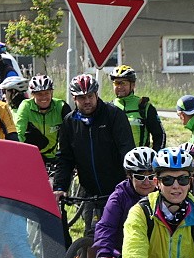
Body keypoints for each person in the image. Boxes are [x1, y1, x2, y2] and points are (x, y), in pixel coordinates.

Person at [53, 74, 135, 235]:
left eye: (90, 96)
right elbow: (65, 158)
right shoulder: (70, 122)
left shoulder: (113, 115)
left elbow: (126, 150)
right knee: (92, 235)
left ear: (97, 95)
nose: (87, 101)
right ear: (74, 98)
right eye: (81, 97)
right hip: (90, 191)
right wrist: (60, 187)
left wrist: (130, 178)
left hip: (117, 188)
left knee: (121, 234)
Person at [14, 74, 71, 168]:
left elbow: (72, 134)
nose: (44, 97)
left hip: (54, 157)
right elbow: (19, 133)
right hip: (31, 156)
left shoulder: (61, 106)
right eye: (39, 94)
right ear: (32, 94)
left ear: (51, 93)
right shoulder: (26, 106)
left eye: (47, 93)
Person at [110, 65, 165, 151]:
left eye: (123, 83)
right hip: (116, 158)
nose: (119, 87)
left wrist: (156, 154)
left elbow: (160, 135)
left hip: (140, 157)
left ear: (133, 85)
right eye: (116, 83)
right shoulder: (110, 108)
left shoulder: (144, 106)